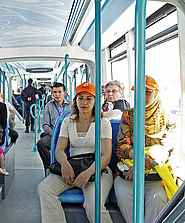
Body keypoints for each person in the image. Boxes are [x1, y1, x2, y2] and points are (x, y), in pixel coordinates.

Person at [37, 81, 113, 223]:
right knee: (44, 189)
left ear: (96, 101)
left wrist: (88, 173)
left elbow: (106, 156)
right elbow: (59, 149)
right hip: (73, 166)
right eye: (81, 98)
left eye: (89, 98)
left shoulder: (103, 123)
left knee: (93, 204)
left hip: (97, 169)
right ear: (75, 101)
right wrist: (65, 164)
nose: (84, 102)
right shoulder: (68, 122)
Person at [114, 75, 167, 223]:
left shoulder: (165, 117)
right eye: (138, 91)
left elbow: (168, 147)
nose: (142, 96)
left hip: (154, 173)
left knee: (159, 199)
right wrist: (138, 158)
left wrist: (144, 163)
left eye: (147, 92)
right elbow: (121, 146)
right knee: (124, 195)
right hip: (128, 172)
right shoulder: (128, 115)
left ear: (156, 93)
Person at [37, 82, 70, 174]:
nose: (57, 94)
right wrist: (54, 133)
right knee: (41, 144)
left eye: (60, 92)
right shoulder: (48, 106)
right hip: (53, 134)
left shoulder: (72, 106)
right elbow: (45, 125)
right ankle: (50, 167)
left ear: (65, 93)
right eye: (54, 92)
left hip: (68, 134)